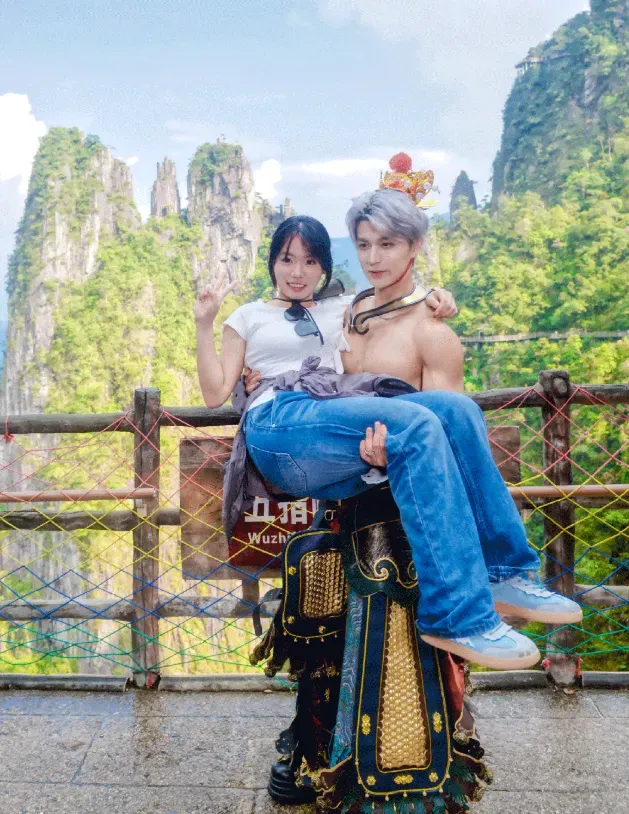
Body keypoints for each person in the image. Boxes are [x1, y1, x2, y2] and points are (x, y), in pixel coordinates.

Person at [195, 193, 581, 671]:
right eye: (287, 259)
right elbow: (215, 393)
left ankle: (504, 571)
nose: (297, 271)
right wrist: (205, 322)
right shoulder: (249, 316)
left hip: (329, 412)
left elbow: (400, 300)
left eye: (310, 261)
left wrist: (438, 296)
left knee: (457, 411)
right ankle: (457, 615)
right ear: (271, 262)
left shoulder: (344, 308)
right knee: (417, 423)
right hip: (278, 421)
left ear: (324, 267)